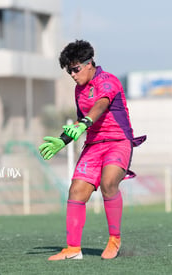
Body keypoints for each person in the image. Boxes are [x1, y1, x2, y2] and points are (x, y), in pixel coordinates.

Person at [39, 40, 146, 261]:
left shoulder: (108, 81)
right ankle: (73, 249)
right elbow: (80, 122)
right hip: (94, 146)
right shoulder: (79, 91)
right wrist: (63, 140)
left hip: (118, 142)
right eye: (69, 70)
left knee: (109, 183)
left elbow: (101, 104)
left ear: (89, 64)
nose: (72, 74)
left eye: (75, 68)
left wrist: (84, 123)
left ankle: (114, 239)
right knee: (76, 190)